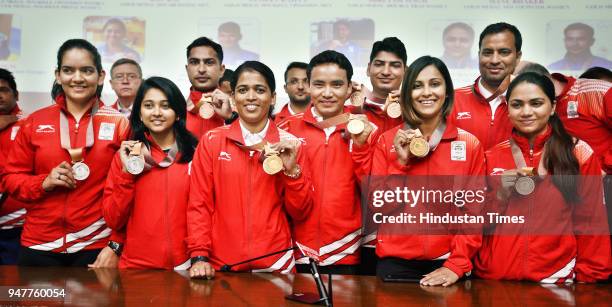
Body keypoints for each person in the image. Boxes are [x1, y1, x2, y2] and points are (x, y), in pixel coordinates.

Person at [1, 39, 129, 266]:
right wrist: (44, 183)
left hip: (96, 246)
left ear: (100, 76)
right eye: (69, 70)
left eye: (86, 70)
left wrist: (115, 244)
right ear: (58, 75)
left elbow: (130, 191)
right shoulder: (34, 122)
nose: (77, 78)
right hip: (38, 245)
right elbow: (10, 179)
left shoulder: (119, 124)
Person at [475, 72, 611, 282]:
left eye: (536, 103)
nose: (526, 112)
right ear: (508, 109)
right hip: (494, 280)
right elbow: (474, 225)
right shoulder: (490, 156)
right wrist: (500, 195)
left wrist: (588, 280)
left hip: (555, 280)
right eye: (517, 104)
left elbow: (591, 222)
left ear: (553, 107)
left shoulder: (578, 153)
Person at [187, 61, 313, 279]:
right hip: (223, 263)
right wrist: (199, 255)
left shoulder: (290, 144)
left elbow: (300, 212)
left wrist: (292, 172)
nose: (251, 97)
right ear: (234, 99)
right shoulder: (212, 141)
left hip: (276, 262)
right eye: (243, 90)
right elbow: (200, 203)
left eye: (260, 90)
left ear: (272, 98)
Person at [371, 55, 485, 286]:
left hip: (447, 265)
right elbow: (380, 207)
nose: (426, 93)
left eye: (434, 84)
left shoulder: (469, 144)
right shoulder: (387, 141)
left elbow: (474, 213)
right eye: (416, 86)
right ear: (406, 94)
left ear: (447, 91)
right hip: (395, 264)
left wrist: (457, 264)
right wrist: (401, 164)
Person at [278, 51, 374, 274]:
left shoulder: (369, 131)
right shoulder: (285, 131)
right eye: (319, 84)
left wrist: (361, 146)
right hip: (295, 250)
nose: (328, 93)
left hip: (346, 250)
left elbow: (374, 194)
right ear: (309, 86)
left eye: (337, 85)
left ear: (350, 88)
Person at [102, 77, 198, 269]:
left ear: (178, 113)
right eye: (148, 105)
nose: (156, 113)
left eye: (165, 106)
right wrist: (127, 172)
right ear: (139, 113)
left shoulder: (197, 153)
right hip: (137, 266)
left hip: (187, 266)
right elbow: (113, 219)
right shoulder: (126, 156)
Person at [449, 22, 522, 149]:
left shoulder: (529, 104)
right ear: (479, 55)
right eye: (487, 52)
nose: (494, 60)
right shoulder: (452, 100)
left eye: (504, 52)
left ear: (517, 57)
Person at [0, 68, 27, 264]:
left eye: (3, 90)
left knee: (13, 289)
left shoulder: (30, 124)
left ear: (16, 94)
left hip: (17, 225)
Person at [184, 37, 233, 139]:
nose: (201, 69)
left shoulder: (238, 110)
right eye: (194, 62)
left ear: (221, 70)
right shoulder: (175, 109)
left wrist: (230, 118)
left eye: (209, 62)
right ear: (187, 69)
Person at [359, 37, 407, 133]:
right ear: (368, 69)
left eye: (395, 65)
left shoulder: (416, 113)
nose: (386, 72)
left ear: (406, 72)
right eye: (379, 64)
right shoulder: (353, 110)